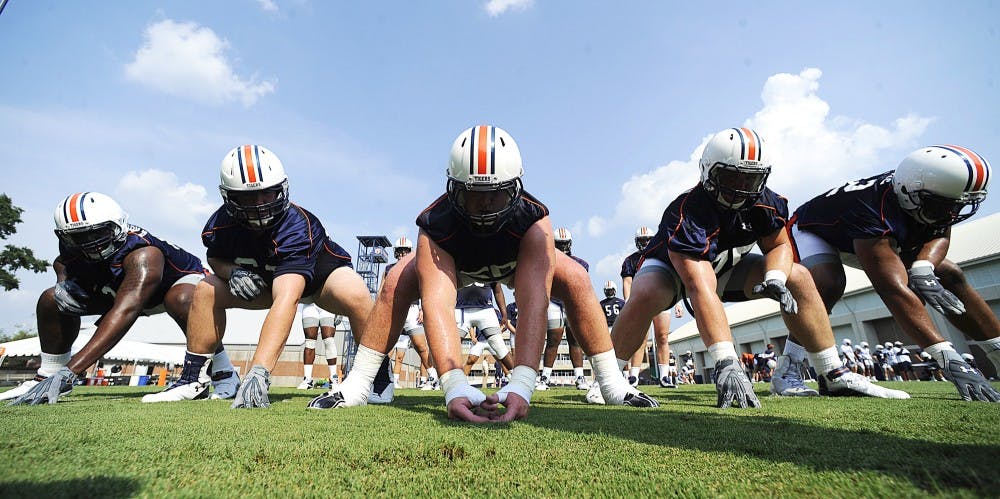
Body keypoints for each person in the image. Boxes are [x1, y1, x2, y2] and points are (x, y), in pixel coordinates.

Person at [308, 125, 657, 421]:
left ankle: (611, 383)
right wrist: (453, 386)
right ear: (454, 187)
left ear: (516, 188)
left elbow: (533, 302)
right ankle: (359, 383)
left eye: (496, 194)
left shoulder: (534, 221)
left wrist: (522, 384)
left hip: (514, 264)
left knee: (577, 278)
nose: (486, 205)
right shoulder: (436, 224)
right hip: (457, 265)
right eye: (474, 195)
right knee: (397, 277)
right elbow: (438, 305)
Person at [609, 127, 907, 409]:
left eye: (749, 180)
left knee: (799, 276)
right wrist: (726, 360)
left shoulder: (766, 202)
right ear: (707, 170)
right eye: (732, 178)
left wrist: (775, 277)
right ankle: (608, 378)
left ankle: (832, 373)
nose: (741, 189)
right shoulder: (688, 210)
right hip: (673, 270)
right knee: (647, 292)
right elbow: (700, 287)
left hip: (727, 267)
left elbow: (779, 247)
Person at [141, 145, 376, 408]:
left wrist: (259, 371)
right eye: (248, 198)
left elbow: (286, 298)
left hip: (319, 281)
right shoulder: (220, 225)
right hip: (265, 281)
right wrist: (232, 272)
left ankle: (376, 377)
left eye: (267, 194)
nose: (260, 205)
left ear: (281, 188)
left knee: (356, 293)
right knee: (206, 288)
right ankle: (193, 380)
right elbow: (215, 257)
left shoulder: (297, 226)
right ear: (229, 197)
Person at [787, 145, 999, 402]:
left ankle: (996, 350)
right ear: (910, 193)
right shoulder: (870, 207)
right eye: (940, 207)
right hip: (817, 230)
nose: (950, 214)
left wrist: (923, 267)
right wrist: (948, 359)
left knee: (949, 274)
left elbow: (942, 229)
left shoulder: (927, 192)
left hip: (870, 232)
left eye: (955, 207)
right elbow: (892, 288)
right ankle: (789, 369)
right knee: (828, 284)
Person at [5, 192, 240, 405]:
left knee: (182, 298)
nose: (91, 243)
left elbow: (126, 310)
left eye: (98, 233)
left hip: (171, 285)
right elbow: (62, 261)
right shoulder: (71, 246)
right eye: (80, 237)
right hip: (119, 289)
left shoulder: (143, 253)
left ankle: (224, 372)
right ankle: (45, 375)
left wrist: (70, 371)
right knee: (51, 299)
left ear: (119, 225)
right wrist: (62, 282)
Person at [621, 226, 685, 388]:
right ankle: (633, 376)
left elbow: (673, 279)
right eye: (643, 240)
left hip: (662, 298)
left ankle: (664, 377)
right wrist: (629, 302)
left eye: (648, 239)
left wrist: (677, 302)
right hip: (641, 301)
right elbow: (627, 282)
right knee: (640, 338)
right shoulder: (631, 260)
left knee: (662, 336)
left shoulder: (664, 255)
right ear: (637, 242)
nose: (646, 243)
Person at [538, 228, 589, 390]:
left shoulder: (581, 263)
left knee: (575, 341)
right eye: (559, 244)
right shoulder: (545, 261)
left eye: (565, 244)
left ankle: (580, 377)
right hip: (554, 303)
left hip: (572, 302)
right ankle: (545, 377)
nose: (563, 247)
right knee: (553, 340)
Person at [386, 237, 438, 390]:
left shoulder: (416, 268)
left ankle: (432, 376)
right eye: (400, 252)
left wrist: (423, 309)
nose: (402, 254)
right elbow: (382, 290)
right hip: (394, 309)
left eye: (405, 251)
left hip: (412, 309)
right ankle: (388, 380)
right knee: (387, 348)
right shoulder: (389, 268)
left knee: (421, 346)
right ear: (396, 253)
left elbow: (424, 289)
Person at [297, 303, 342, 390]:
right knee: (309, 341)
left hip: (328, 303)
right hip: (309, 303)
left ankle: (333, 378)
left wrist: (340, 309)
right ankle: (307, 379)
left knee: (329, 339)